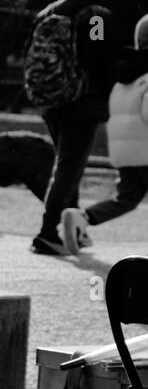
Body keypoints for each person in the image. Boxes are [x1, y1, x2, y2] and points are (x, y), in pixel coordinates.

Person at [27, 0, 118, 255]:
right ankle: (46, 231)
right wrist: (108, 93)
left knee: (70, 165)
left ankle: (73, 231)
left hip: (50, 101)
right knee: (68, 167)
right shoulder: (95, 16)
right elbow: (99, 57)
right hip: (82, 101)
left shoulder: (47, 12)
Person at [60, 14, 148, 254]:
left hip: (126, 154)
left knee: (126, 199)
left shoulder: (124, 79)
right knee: (127, 199)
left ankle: (83, 217)